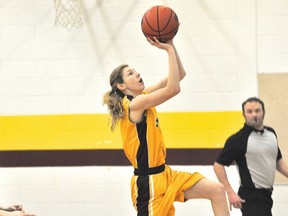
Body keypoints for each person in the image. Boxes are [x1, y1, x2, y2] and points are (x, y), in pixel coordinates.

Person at [103, 36, 230, 216]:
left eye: (136, 71)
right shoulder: (133, 105)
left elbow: (180, 75)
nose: (137, 74)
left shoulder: (143, 96)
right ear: (121, 85)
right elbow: (173, 89)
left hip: (167, 174)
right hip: (149, 183)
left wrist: (171, 45)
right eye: (130, 73)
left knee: (216, 191)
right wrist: (168, 51)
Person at [213, 97, 288, 216]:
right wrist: (230, 192)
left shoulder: (271, 133)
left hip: (267, 195)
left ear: (264, 113)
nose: (254, 115)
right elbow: (218, 166)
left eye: (257, 111)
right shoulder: (238, 139)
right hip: (251, 195)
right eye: (250, 111)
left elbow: (278, 162)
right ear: (244, 115)